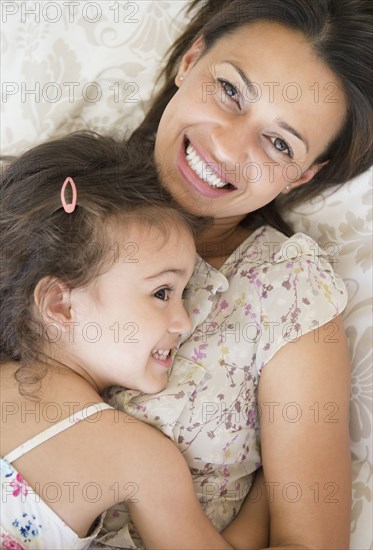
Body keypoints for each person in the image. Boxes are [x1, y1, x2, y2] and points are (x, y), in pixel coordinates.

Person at [97, 1, 373, 549]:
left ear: (301, 176)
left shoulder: (287, 295)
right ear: (192, 59)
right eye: (230, 91)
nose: (226, 146)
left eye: (278, 143)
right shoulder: (56, 194)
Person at [0, 130, 258, 550]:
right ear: (60, 305)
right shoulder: (138, 457)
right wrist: (269, 492)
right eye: (162, 293)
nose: (184, 322)